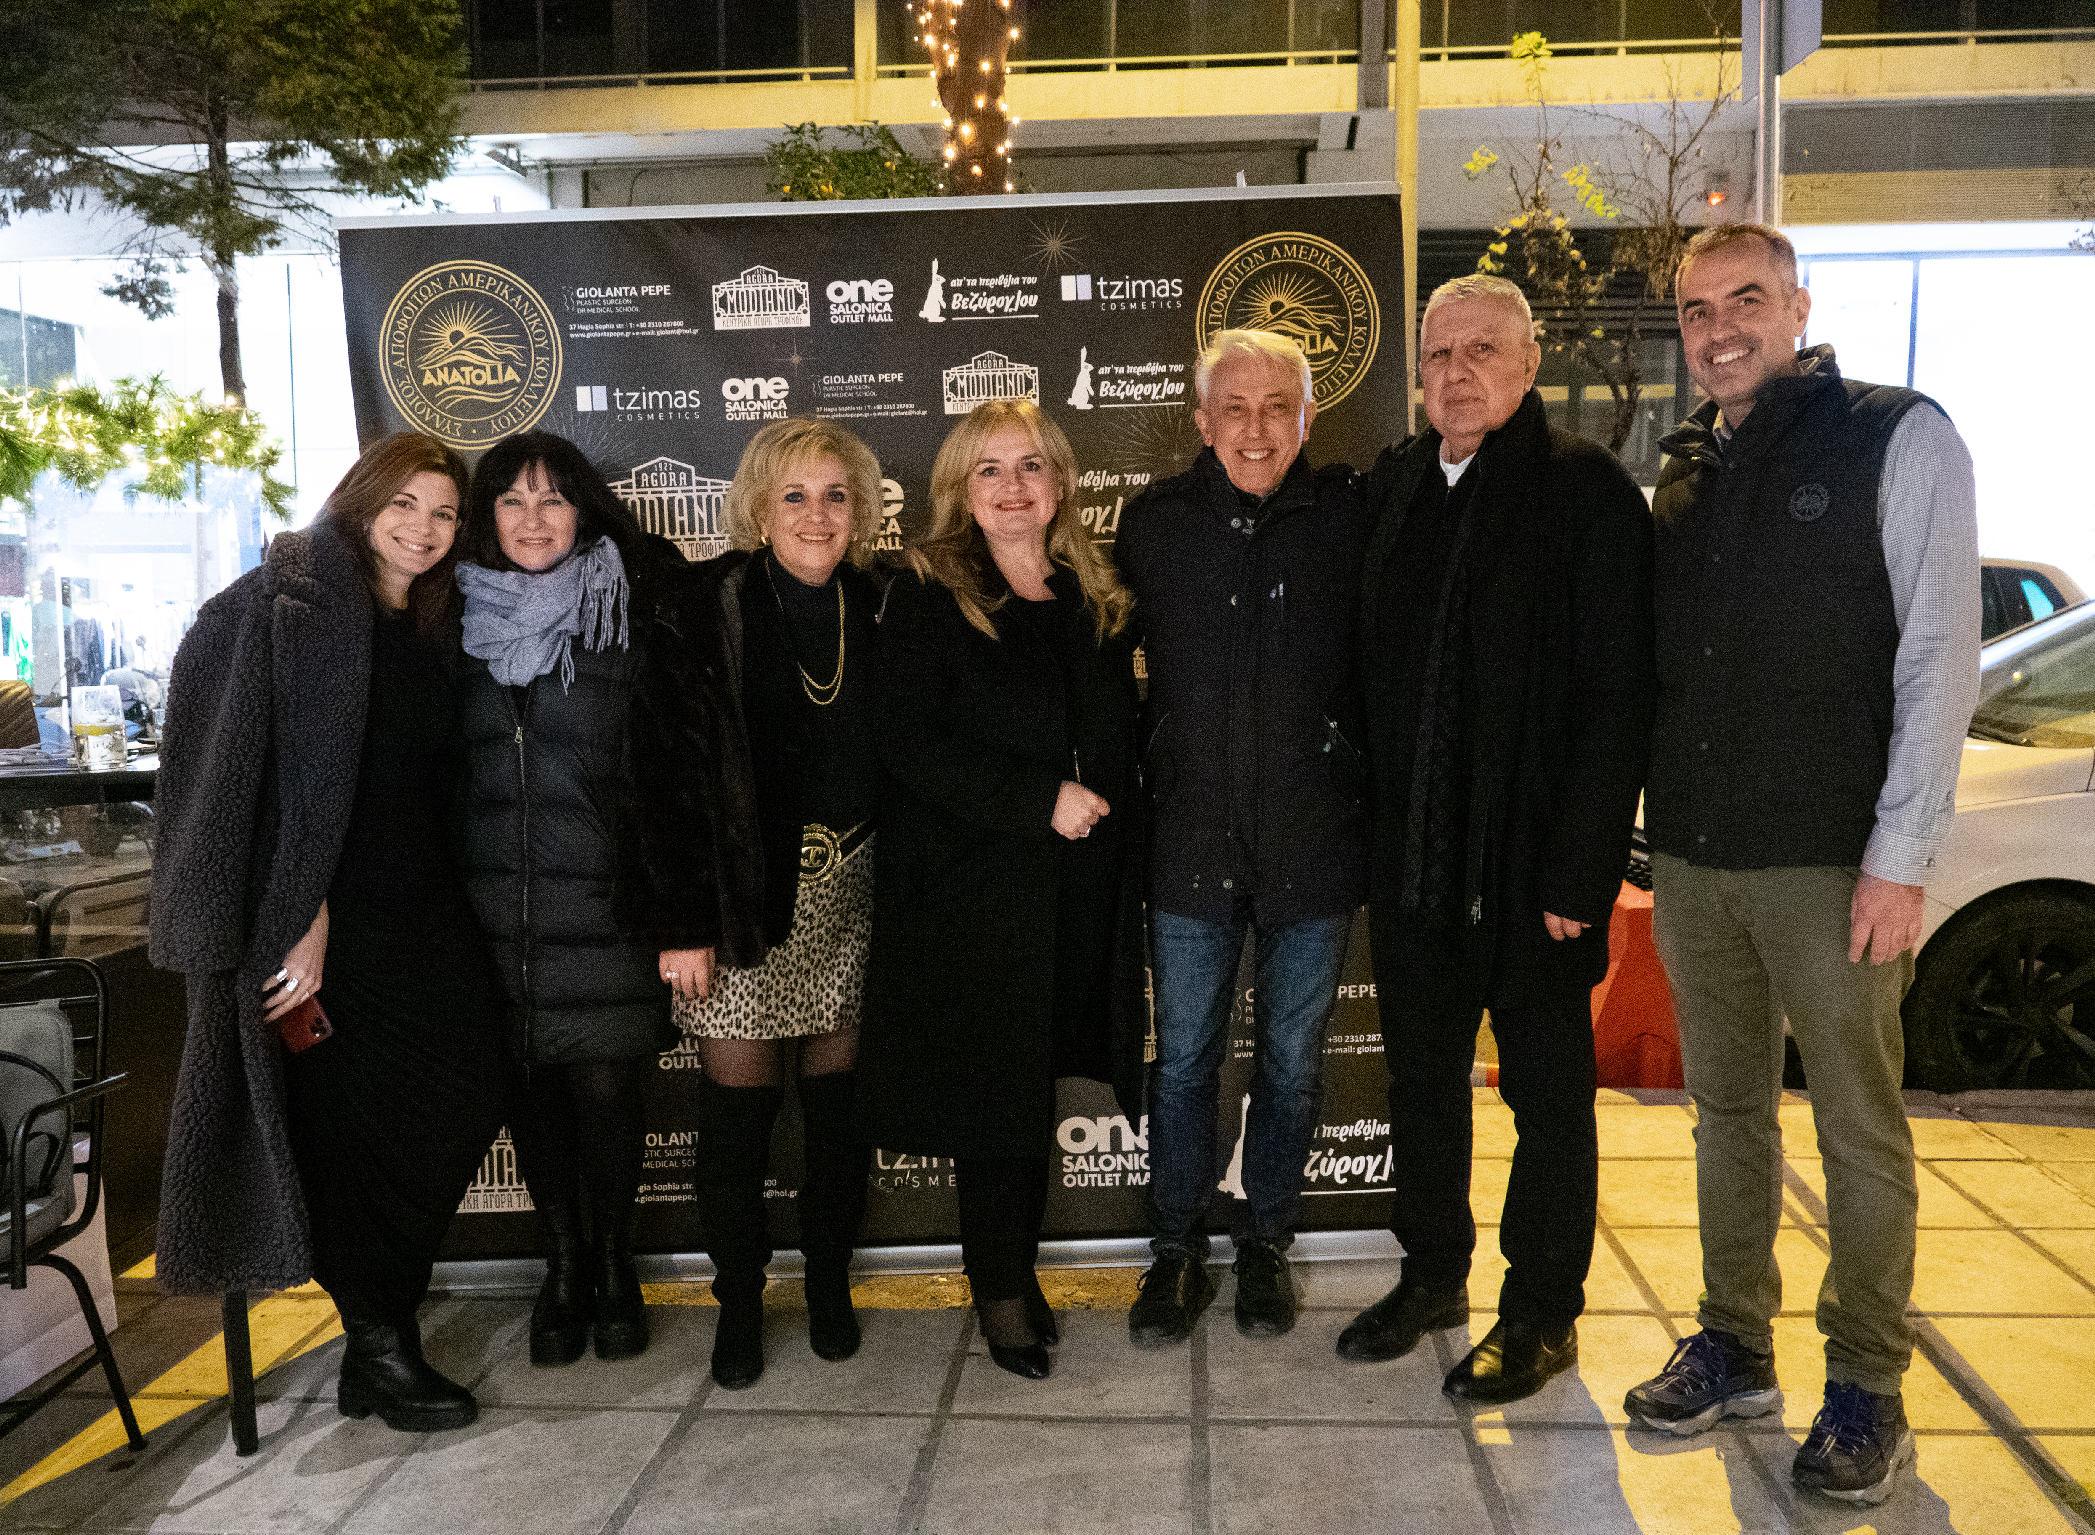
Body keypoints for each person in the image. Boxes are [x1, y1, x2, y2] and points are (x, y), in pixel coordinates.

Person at [1624, 225, 1979, 1507]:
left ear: (1798, 306)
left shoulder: (1897, 434)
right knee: (1725, 1112)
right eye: (1696, 308)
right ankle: (1734, 1341)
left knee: (1855, 1128)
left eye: (1746, 300)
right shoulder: (1683, 472)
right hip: (1696, 857)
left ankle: (1868, 1384)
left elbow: (1940, 653)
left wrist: (1901, 855)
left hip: (1834, 862)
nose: (1719, 328)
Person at [150, 433, 509, 1431]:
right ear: (359, 501)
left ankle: (377, 1329)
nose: (424, 529)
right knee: (345, 1132)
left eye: (444, 513)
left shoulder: (428, 619)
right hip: (325, 927)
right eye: (404, 505)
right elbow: (234, 782)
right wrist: (297, 917)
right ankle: (381, 1343)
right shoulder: (280, 609)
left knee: (471, 1089)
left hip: (424, 909)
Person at [1338, 275, 1655, 1404]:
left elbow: (1619, 698)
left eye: (1482, 350)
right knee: (1421, 1083)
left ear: (1528, 364)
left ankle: (1541, 1312)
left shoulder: (1585, 491)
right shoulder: (1396, 487)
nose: (1457, 371)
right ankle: (1433, 1274)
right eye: (1438, 353)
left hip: (1535, 876)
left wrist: (1581, 868)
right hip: (1416, 866)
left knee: (1548, 1102)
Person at [456, 431, 764, 1369]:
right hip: (492, 915)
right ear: (486, 516)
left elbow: (676, 775)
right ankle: (563, 1264)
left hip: (605, 907)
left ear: (584, 510)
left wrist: (679, 916)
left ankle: (614, 1262)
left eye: (553, 499)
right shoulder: (449, 616)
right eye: (513, 500)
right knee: (532, 1094)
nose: (534, 519)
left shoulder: (627, 605)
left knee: (604, 1091)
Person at [855, 399, 1145, 1380]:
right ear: (959, 490)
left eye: (1029, 466)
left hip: (1073, 894)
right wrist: (1036, 798)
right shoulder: (927, 591)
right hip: (972, 898)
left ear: (1059, 482)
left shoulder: (1091, 592)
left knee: (1032, 1087)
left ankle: (1015, 1269)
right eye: (989, 469)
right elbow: (905, 743)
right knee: (995, 1101)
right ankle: (1002, 1291)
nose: (1012, 486)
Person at [1111, 329, 1372, 1346]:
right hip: (1188, 844)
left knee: (1292, 1066)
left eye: (1276, 407)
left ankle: (1265, 1240)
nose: (1254, 428)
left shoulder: (1351, 515)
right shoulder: (1152, 524)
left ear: (1307, 416)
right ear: (1200, 419)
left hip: (1315, 843)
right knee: (1182, 1063)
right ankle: (1173, 1249)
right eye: (1234, 406)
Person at [680, 419, 888, 1390]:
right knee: (737, 1123)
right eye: (794, 495)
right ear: (759, 508)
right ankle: (738, 1299)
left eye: (835, 494)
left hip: (858, 890)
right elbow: (665, 775)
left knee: (838, 1122)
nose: (816, 513)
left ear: (860, 510)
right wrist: (682, 920)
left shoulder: (882, 602)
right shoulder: (707, 604)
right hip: (739, 899)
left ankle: (829, 1282)